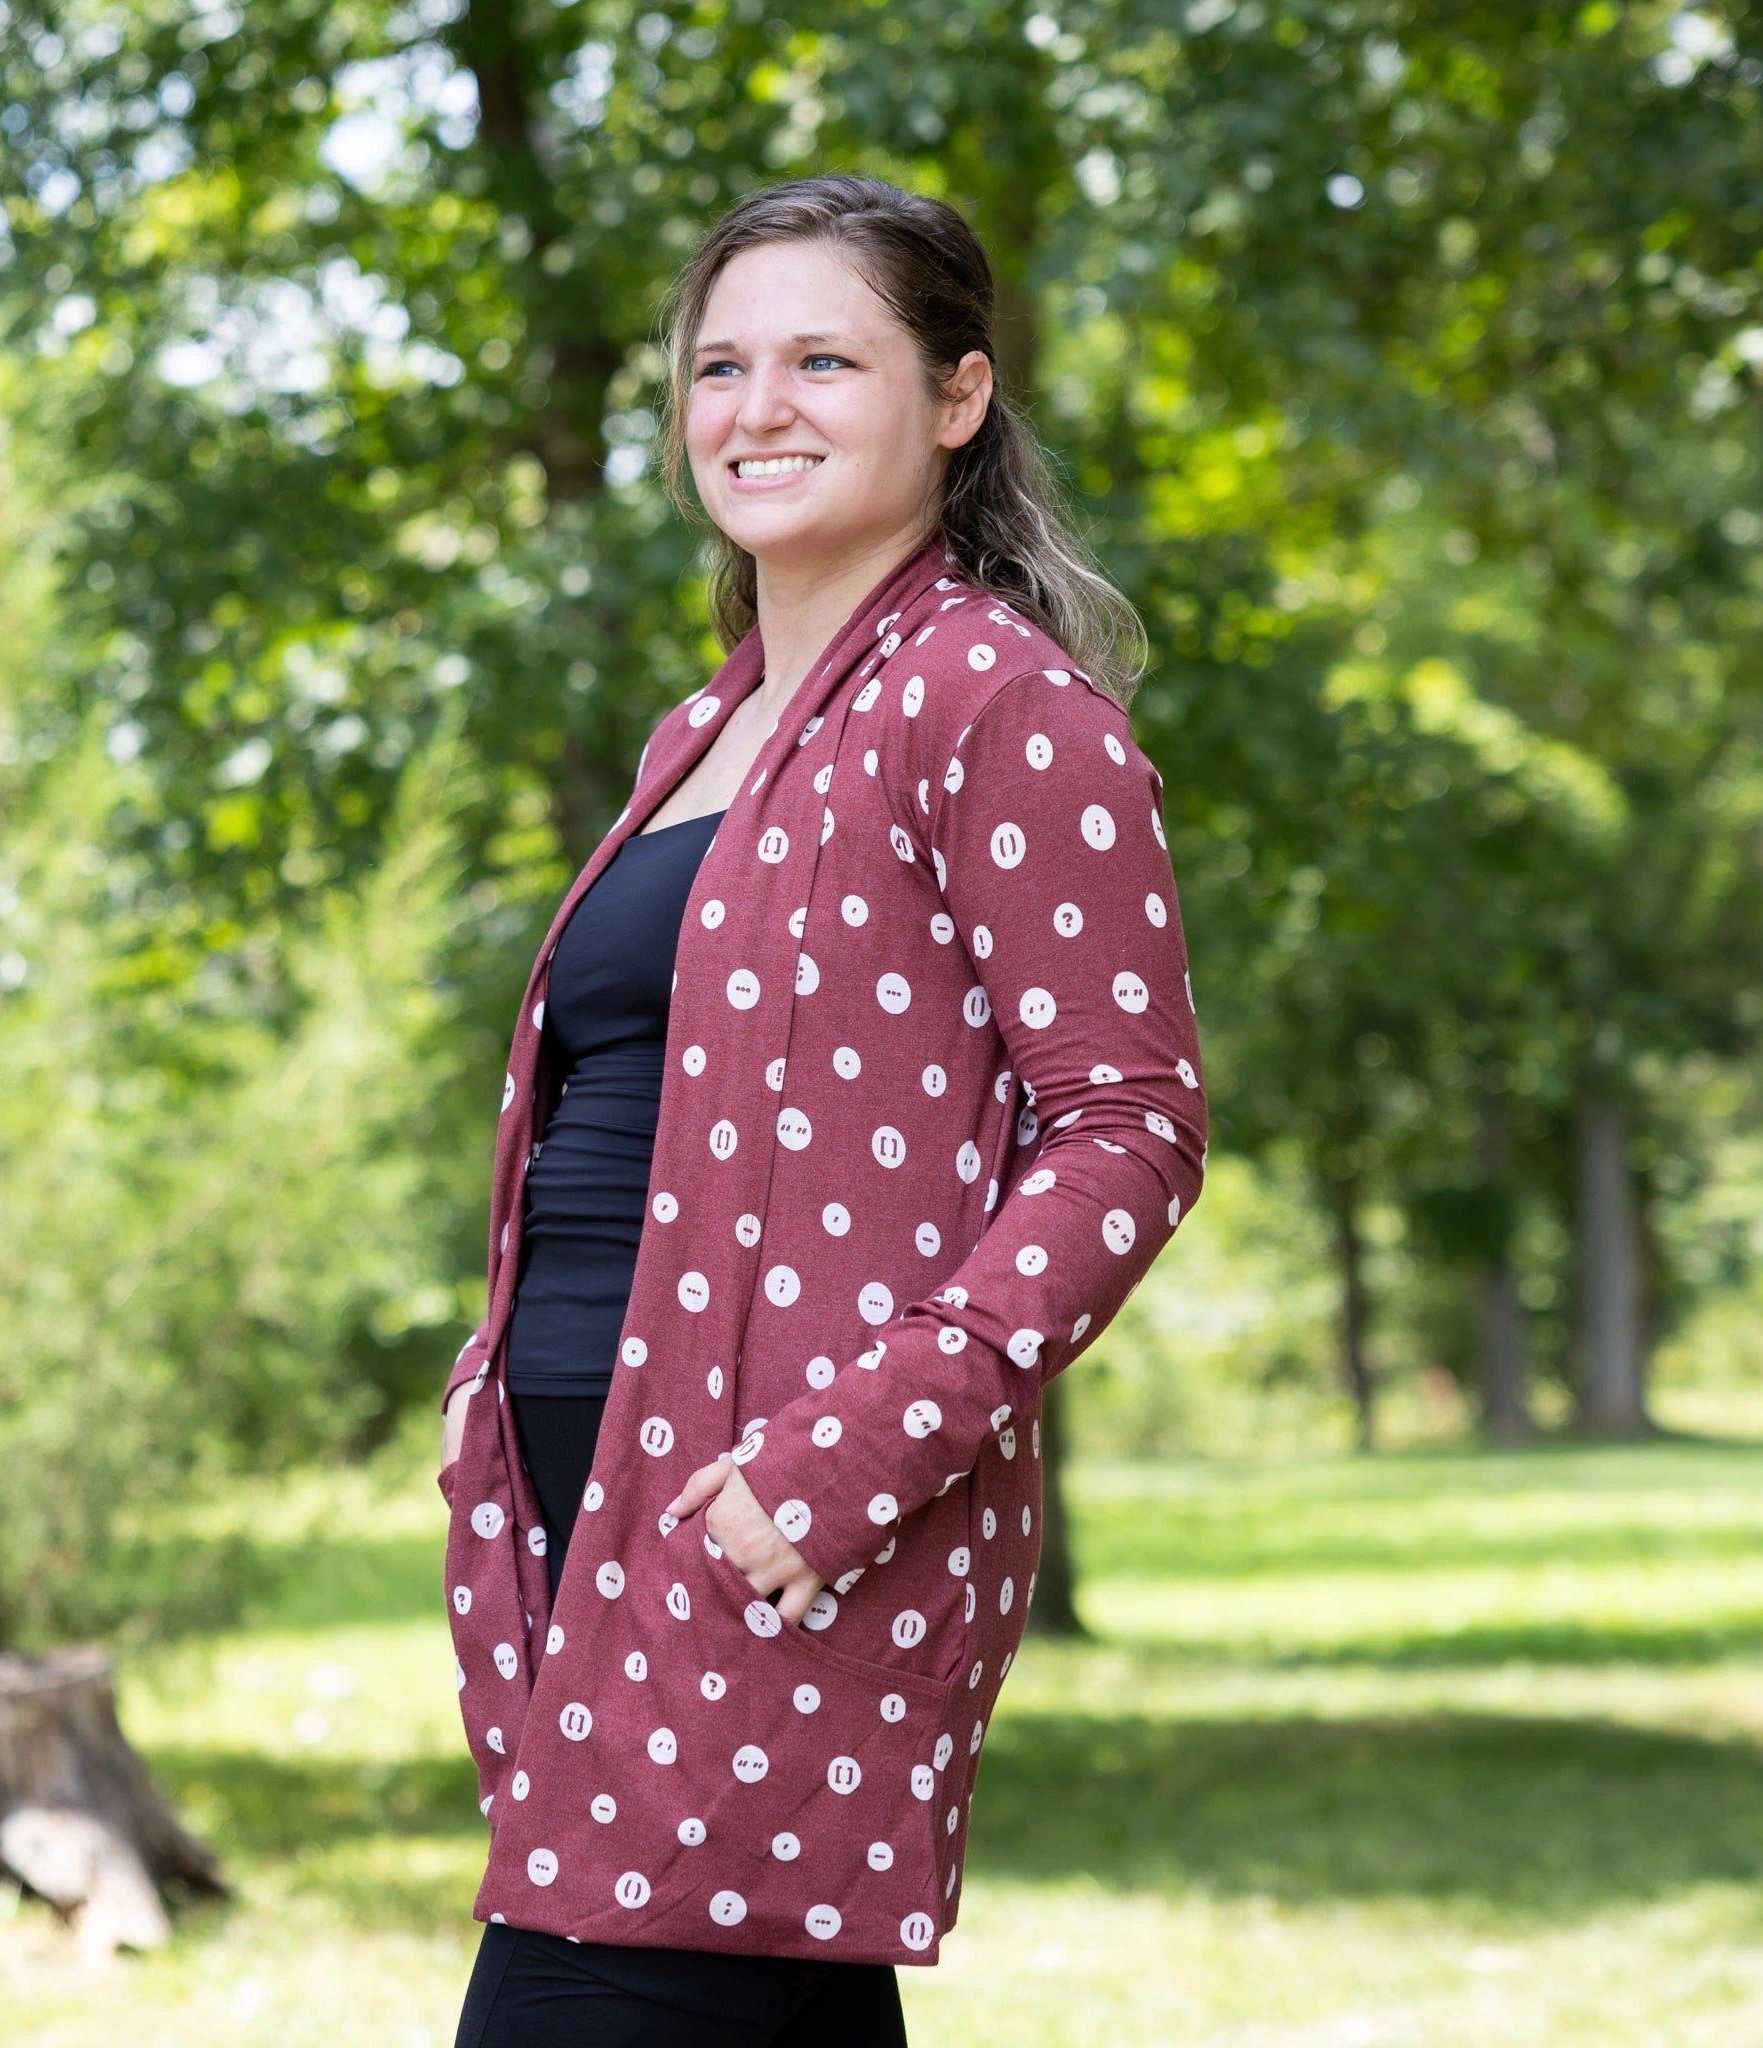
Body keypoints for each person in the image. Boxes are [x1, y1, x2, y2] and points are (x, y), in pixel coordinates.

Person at [437, 173, 1206, 2047]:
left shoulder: (1000, 710)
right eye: (719, 363)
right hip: (584, 1512)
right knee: (746, 2008)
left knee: (588, 2007)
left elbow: (1130, 1130)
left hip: (784, 1514)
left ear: (956, 397)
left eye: (820, 359)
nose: (755, 406)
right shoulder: (699, 735)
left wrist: (848, 1459)